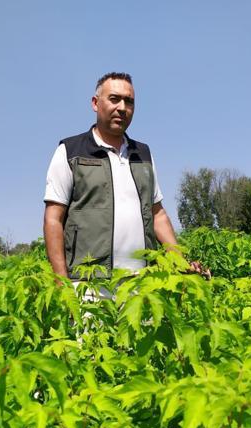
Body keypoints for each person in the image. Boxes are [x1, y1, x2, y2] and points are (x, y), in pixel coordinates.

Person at [43, 72, 199, 288]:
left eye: (129, 101)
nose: (122, 108)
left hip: (144, 282)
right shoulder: (70, 151)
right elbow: (53, 219)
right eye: (114, 99)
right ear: (95, 103)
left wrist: (179, 261)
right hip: (88, 284)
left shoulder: (143, 153)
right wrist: (61, 282)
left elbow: (157, 213)